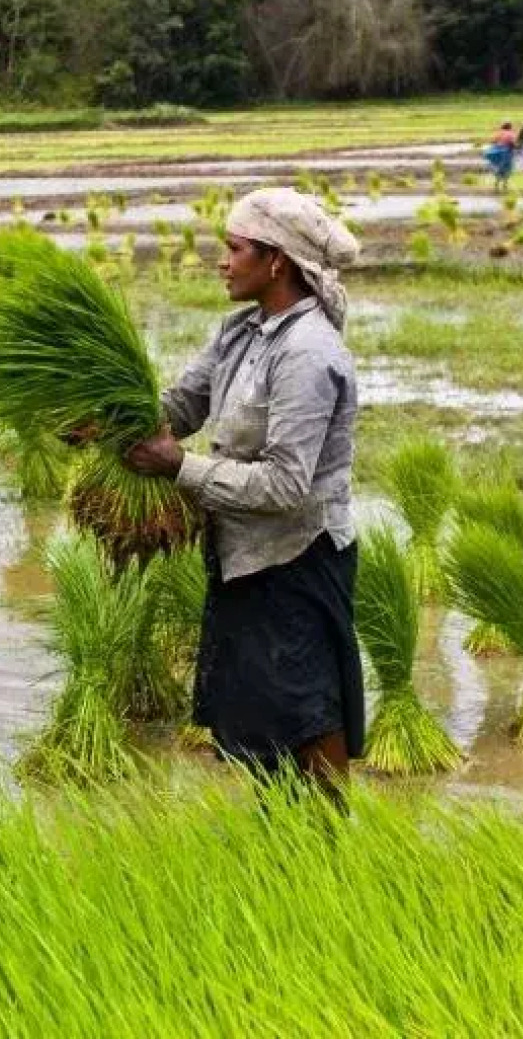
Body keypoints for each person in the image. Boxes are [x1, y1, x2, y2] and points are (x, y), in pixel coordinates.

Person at [124, 187, 363, 801]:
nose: (222, 261)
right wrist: (114, 420)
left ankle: (334, 833)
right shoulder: (241, 332)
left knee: (309, 711)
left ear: (276, 260)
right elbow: (182, 406)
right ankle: (280, 831)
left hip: (298, 558)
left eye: (234, 249)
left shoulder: (307, 353)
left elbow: (286, 485)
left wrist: (179, 466)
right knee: (263, 715)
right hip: (242, 554)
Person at [484, 120, 516, 188]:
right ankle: (505, 183)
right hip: (507, 152)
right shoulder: (511, 134)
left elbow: (493, 141)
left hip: (497, 151)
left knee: (498, 167)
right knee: (507, 167)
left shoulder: (499, 133)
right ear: (510, 127)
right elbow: (512, 143)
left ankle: (497, 182)